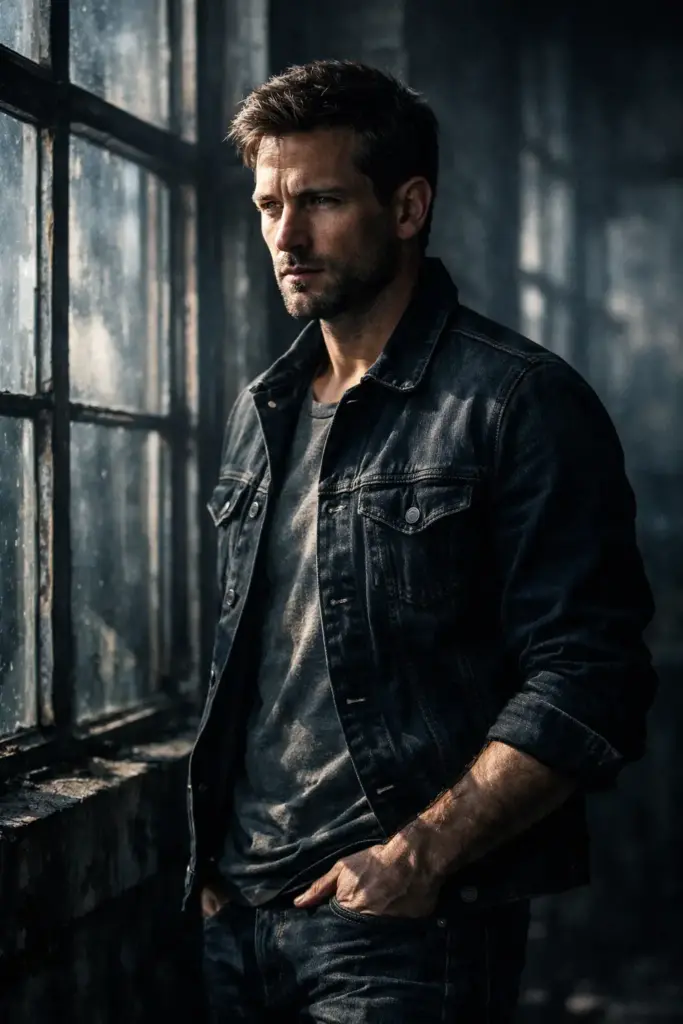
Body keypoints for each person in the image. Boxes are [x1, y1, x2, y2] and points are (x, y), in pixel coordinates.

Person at [185, 59, 657, 1023]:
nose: (284, 236)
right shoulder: (262, 410)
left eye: (317, 200)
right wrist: (216, 877)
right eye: (269, 203)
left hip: (402, 929)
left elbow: (589, 675)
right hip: (236, 916)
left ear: (407, 207)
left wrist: (418, 857)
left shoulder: (519, 403)